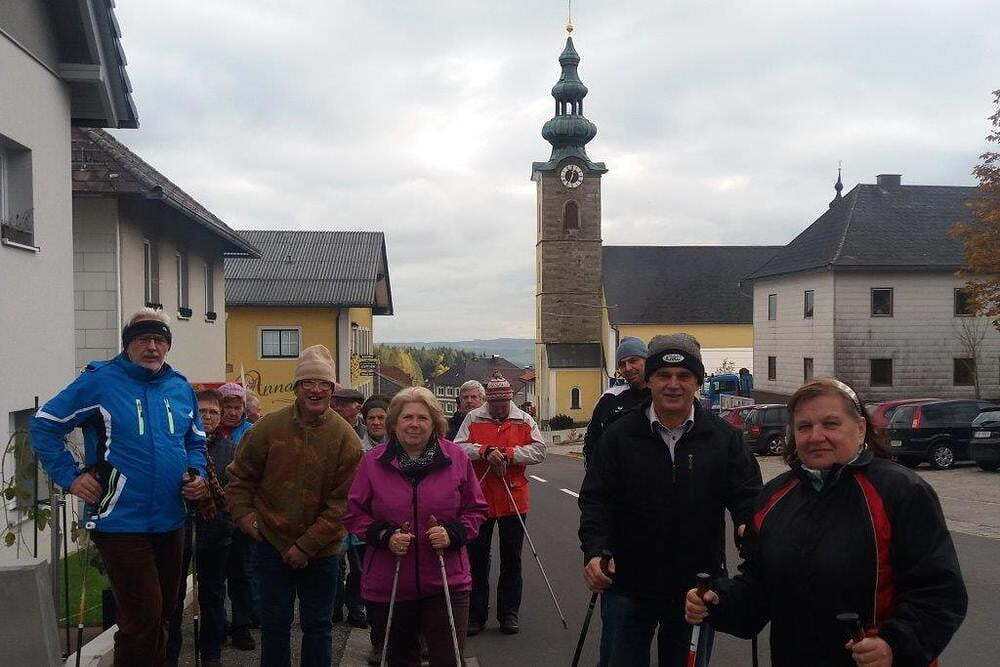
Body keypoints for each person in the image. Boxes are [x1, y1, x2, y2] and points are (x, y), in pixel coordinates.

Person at [685, 378, 968, 667]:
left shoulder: (902, 491)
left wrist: (893, 644)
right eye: (804, 427)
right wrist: (718, 601)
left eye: (830, 424)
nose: (815, 436)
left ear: (860, 429)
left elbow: (940, 594)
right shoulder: (775, 496)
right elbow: (758, 588)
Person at [30, 308, 208, 666]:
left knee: (164, 614)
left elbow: (195, 441)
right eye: (143, 340)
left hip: (171, 518)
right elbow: (44, 425)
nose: (153, 348)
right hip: (119, 520)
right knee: (143, 617)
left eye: (160, 340)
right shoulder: (99, 382)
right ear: (128, 345)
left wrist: (196, 473)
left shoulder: (180, 387)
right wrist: (71, 476)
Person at [578, 333, 762, 666]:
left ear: (698, 382)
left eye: (684, 376)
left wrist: (749, 528)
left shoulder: (725, 439)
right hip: (627, 583)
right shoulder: (619, 436)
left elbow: (748, 497)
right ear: (649, 381)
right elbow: (596, 500)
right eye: (663, 375)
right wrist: (594, 550)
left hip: (697, 588)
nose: (673, 385)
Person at [227, 344, 363, 666]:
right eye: (307, 383)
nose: (315, 390)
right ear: (296, 386)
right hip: (271, 546)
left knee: (318, 626)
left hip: (322, 552)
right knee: (274, 627)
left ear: (332, 389)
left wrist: (305, 546)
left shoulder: (346, 439)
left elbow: (343, 504)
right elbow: (239, 479)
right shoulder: (267, 429)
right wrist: (246, 517)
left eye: (323, 384)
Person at [345, 387, 488, 666]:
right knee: (399, 660)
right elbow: (353, 513)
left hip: (447, 581)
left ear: (435, 423)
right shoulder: (372, 462)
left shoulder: (455, 458)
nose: (414, 424)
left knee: (448, 660)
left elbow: (476, 509)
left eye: (422, 418)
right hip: (391, 582)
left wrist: (453, 532)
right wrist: (384, 535)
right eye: (407, 417)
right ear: (394, 423)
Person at [455, 373, 546, 636]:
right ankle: (476, 615)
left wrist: (508, 453)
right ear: (489, 402)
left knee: (512, 559)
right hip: (479, 499)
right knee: (477, 559)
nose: (499, 409)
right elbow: (458, 447)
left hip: (513, 498)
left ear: (509, 399)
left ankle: (509, 613)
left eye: (503, 404)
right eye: (495, 405)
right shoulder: (473, 418)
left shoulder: (524, 419)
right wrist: (484, 451)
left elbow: (539, 451)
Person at [581, 336, 649, 667]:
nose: (627, 368)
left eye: (633, 360)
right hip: (619, 531)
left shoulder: (665, 395)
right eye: (622, 363)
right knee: (618, 635)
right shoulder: (611, 400)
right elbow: (591, 447)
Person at [192, 388, 255, 664]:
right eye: (202, 411)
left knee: (217, 590)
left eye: (212, 413)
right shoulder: (179, 445)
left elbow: (240, 490)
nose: (207, 417)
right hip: (183, 530)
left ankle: (214, 647)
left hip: (222, 530)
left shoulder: (231, 450)